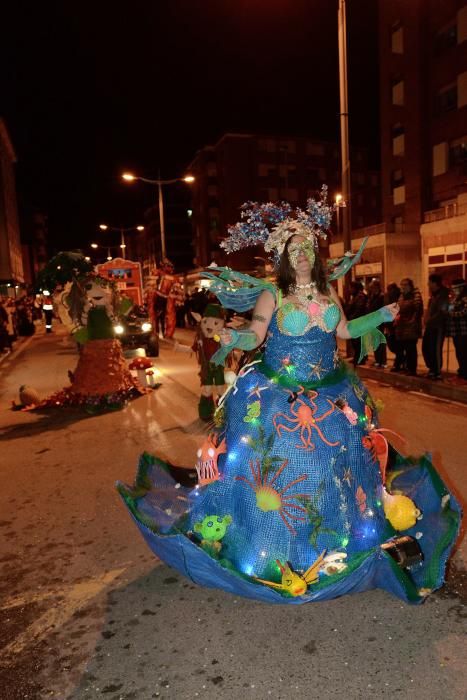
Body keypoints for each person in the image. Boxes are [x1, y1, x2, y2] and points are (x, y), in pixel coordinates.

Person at [118, 188, 460, 605]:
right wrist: (231, 335)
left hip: (333, 387)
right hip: (279, 391)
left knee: (344, 462)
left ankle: (344, 534)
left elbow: (346, 333)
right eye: (294, 250)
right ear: (284, 256)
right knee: (283, 463)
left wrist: (381, 314)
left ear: (315, 255)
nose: (302, 255)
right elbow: (255, 336)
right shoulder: (272, 294)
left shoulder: (327, 291)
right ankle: (272, 543)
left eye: (307, 249)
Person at [393, 278, 423, 375]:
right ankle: (404, 366)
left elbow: (418, 311)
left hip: (411, 326)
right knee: (402, 348)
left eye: (405, 285)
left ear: (410, 285)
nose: (403, 287)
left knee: (411, 349)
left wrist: (411, 320)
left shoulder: (415, 295)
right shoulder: (402, 296)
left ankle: (412, 369)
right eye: (402, 285)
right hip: (402, 327)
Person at [422, 274, 450, 380]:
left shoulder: (443, 295)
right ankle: (431, 369)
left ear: (434, 283)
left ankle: (437, 371)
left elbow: (442, 312)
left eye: (429, 282)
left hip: (438, 327)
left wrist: (430, 320)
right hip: (430, 326)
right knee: (426, 348)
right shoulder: (433, 295)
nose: (428, 284)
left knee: (436, 349)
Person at [446, 278, 467, 384]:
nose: (454, 290)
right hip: (455, 331)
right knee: (459, 353)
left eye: (456, 288)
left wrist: (452, 314)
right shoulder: (455, 299)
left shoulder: (465, 298)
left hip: (463, 331)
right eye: (453, 288)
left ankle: (465, 376)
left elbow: (465, 312)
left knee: (463, 353)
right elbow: (449, 308)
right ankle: (461, 373)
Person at [344, 281, 368, 366]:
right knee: (355, 341)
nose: (350, 289)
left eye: (351, 287)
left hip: (358, 322)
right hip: (354, 322)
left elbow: (359, 310)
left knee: (358, 341)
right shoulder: (354, 297)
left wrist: (352, 319)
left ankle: (361, 358)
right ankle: (357, 357)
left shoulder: (360, 296)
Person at [367, 280, 387, 368]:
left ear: (377, 287)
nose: (371, 289)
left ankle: (382, 361)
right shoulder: (372, 296)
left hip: (379, 322)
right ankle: (377, 360)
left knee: (380, 342)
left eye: (372, 287)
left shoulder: (381, 296)